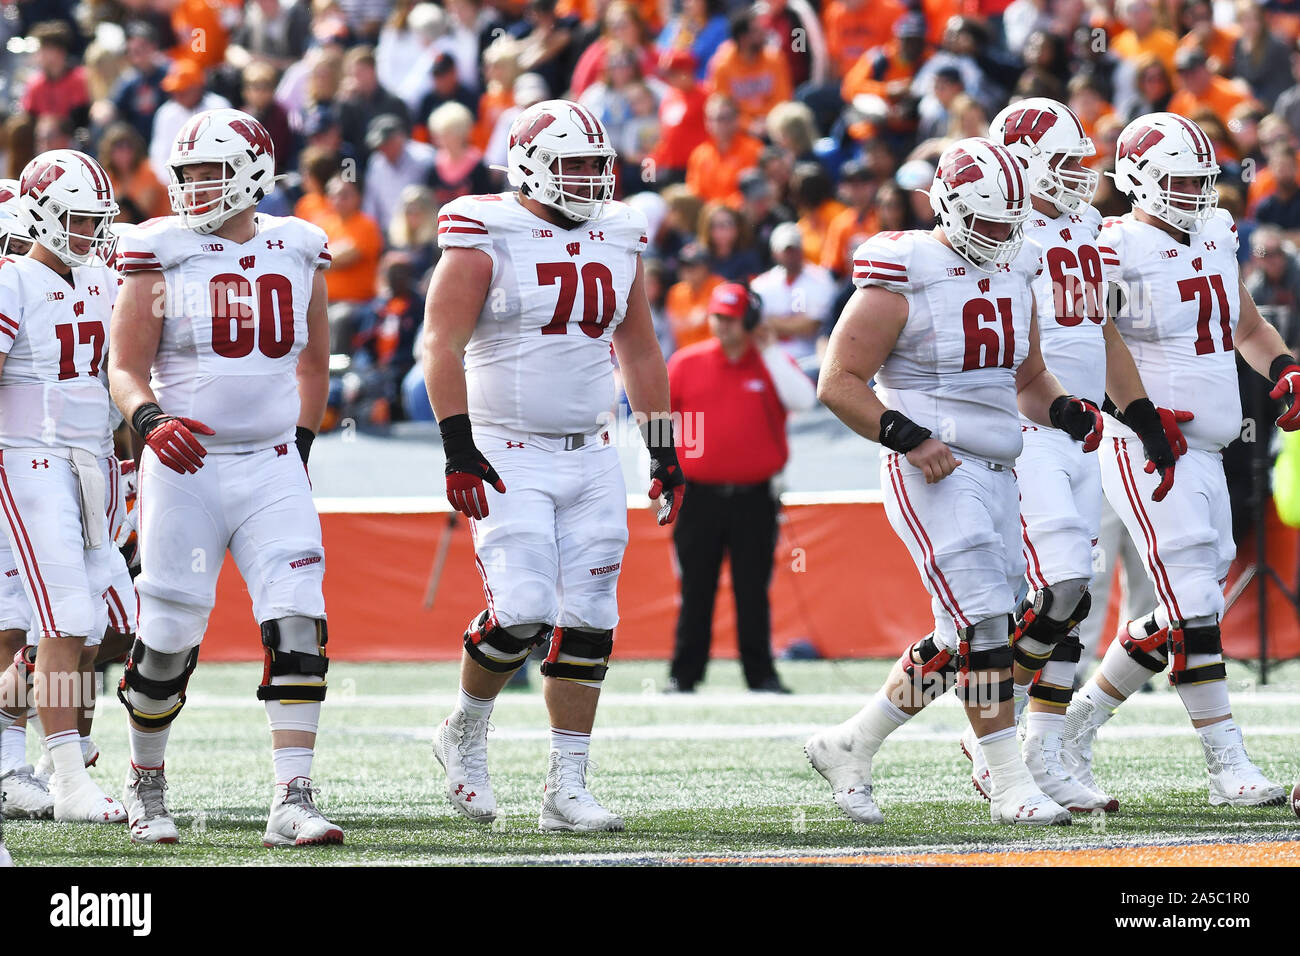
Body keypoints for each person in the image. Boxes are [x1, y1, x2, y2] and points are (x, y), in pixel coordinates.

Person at [804, 137, 1108, 827]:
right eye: (990, 222)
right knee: (983, 626)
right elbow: (839, 382)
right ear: (950, 205)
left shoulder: (1014, 268)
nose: (1003, 235)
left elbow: (1027, 378)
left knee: (957, 637)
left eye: (1011, 222)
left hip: (999, 469)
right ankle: (1006, 779)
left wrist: (1062, 409)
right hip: (934, 468)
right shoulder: (905, 267)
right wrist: (906, 434)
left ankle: (851, 743)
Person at [422, 98, 683, 831]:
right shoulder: (486, 229)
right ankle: (465, 729)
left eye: (597, 166)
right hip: (506, 447)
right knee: (524, 609)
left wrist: (663, 448)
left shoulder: (620, 232)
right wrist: (456, 443)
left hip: (593, 451)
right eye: (572, 164)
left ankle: (566, 788)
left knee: (592, 618)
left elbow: (639, 348)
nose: (589, 179)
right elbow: (439, 344)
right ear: (531, 164)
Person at [108, 108, 341, 846]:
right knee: (169, 633)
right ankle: (147, 783)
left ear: (252, 170)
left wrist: (298, 443)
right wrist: (150, 421)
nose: (194, 187)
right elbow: (124, 367)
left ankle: (293, 797)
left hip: (271, 462)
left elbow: (312, 362)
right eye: (188, 174)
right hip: (185, 467)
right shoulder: (159, 250)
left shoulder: (297, 245)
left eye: (208, 171)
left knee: (299, 614)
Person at [1061, 113, 1295, 808]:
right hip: (1151, 444)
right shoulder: (1112, 245)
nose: (1197, 191)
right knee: (1194, 600)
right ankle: (1228, 762)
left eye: (1203, 177)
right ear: (1137, 179)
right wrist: (1135, 414)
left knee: (1185, 602)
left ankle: (1071, 727)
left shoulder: (1218, 232)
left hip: (1212, 445)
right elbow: (1088, 340)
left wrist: (1284, 366)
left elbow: (1246, 325)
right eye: (1182, 179)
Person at [962, 97, 1188, 813]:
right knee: (1061, 589)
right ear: (1021, 165)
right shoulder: (1000, 232)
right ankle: (993, 727)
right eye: (1061, 163)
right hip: (1028, 427)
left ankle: (1041, 748)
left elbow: (1103, 332)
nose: (1078, 176)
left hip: (1082, 430)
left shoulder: (1085, 224)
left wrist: (1142, 412)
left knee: (1075, 596)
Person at [0, 150, 125, 825]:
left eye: (95, 220)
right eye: (75, 218)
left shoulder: (103, 277)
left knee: (110, 623)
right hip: (30, 457)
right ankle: (70, 777)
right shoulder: (13, 278)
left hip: (90, 462)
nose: (87, 232)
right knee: (64, 617)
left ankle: (24, 720)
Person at [665, 282, 816, 693]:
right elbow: (660, 419)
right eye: (718, 317)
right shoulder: (685, 362)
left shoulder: (770, 362)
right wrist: (662, 474)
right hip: (699, 496)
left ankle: (761, 675)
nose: (723, 326)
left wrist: (768, 350)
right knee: (696, 589)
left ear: (748, 321)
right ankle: (683, 675)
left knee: (753, 590)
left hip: (755, 497)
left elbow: (803, 400)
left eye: (732, 318)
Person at [750, 222, 836, 364]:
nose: (790, 255)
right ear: (774, 253)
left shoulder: (821, 279)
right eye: (786, 250)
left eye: (794, 249)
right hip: (772, 357)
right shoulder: (761, 284)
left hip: (810, 356)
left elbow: (811, 326)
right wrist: (795, 324)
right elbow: (756, 327)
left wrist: (773, 322)